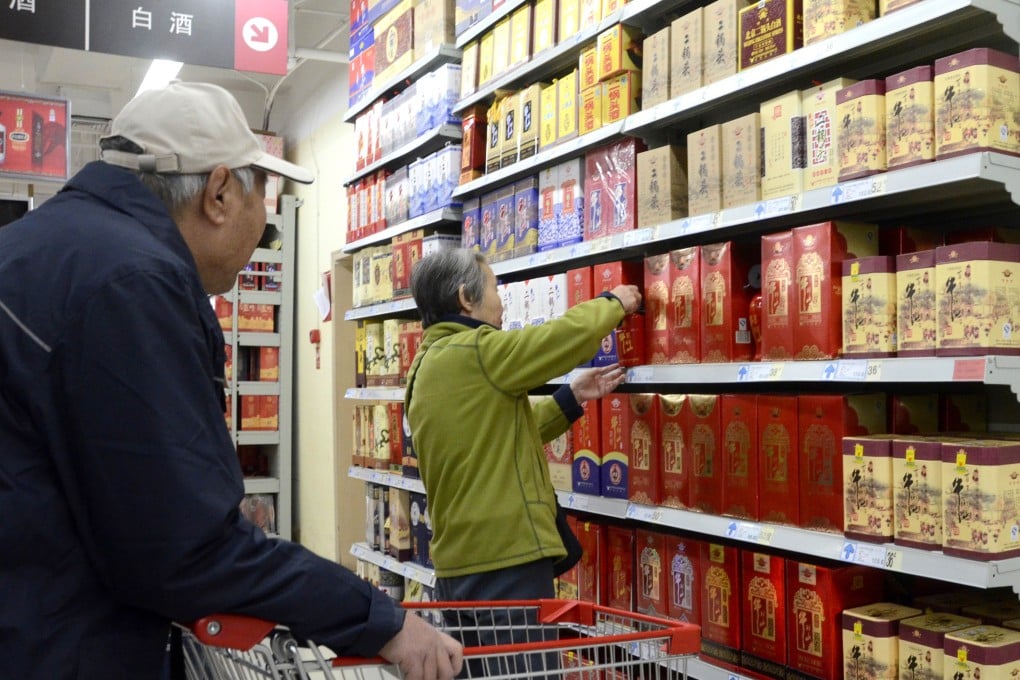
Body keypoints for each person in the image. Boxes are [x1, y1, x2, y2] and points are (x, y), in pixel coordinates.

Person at [0, 81, 462, 680]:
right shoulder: (132, 283)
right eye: (263, 198)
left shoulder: (38, 248)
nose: (264, 228)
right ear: (218, 193)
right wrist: (382, 621)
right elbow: (184, 551)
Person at [404, 248, 641, 669]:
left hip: (459, 568)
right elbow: (552, 341)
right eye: (496, 288)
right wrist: (613, 304)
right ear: (465, 298)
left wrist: (570, 398)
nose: (502, 301)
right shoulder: (476, 348)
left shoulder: (427, 366)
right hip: (506, 565)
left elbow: (496, 434)